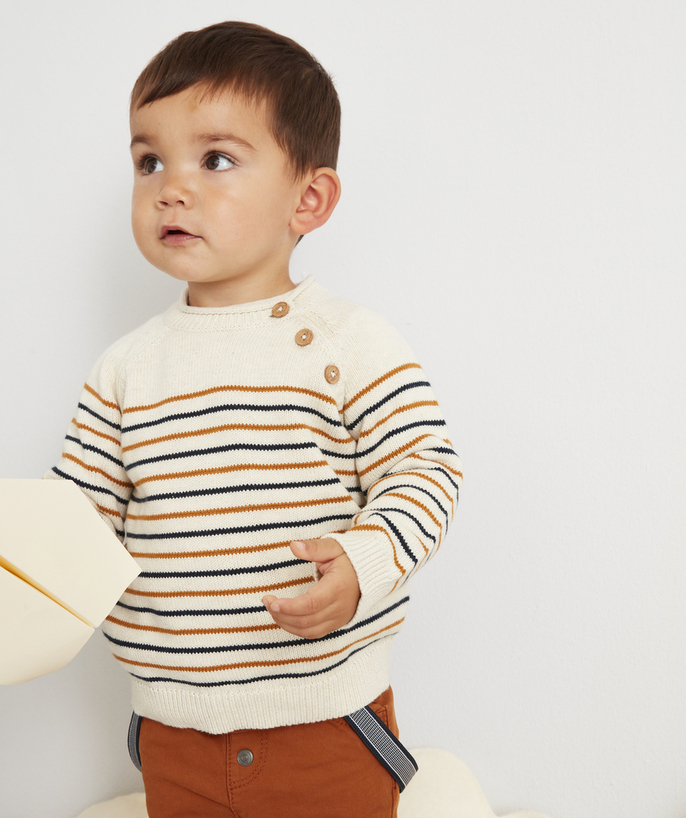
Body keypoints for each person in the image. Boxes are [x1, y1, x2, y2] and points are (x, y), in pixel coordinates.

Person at [46, 21, 462, 818]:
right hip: (174, 730)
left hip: (327, 722)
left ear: (308, 198)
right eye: (148, 160)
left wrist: (365, 561)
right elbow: (74, 529)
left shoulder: (348, 341)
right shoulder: (124, 371)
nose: (171, 185)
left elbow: (426, 470)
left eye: (217, 159)